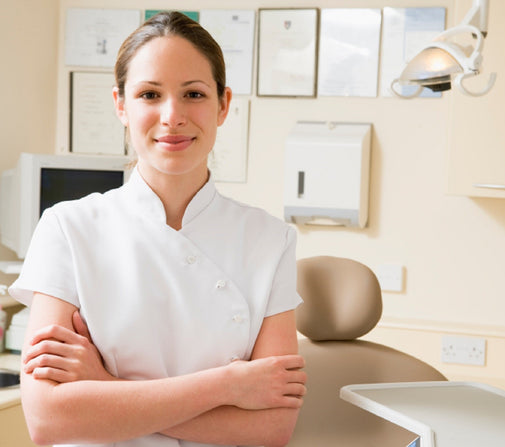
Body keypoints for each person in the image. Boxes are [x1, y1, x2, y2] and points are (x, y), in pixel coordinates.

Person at [10, 11, 307, 447]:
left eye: (193, 94)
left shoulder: (270, 240)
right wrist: (230, 386)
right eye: (150, 94)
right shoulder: (67, 229)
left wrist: (104, 387)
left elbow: (270, 431)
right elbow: (48, 419)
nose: (172, 116)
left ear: (223, 105)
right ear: (120, 105)